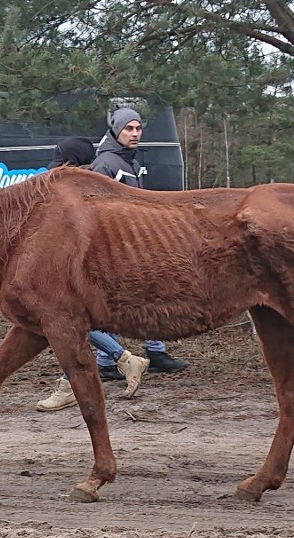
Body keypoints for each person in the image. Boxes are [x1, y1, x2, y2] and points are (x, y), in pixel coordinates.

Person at [37, 136, 150, 412]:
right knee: (74, 323)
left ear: (70, 164)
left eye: (61, 163)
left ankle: (82, 379)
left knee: (63, 321)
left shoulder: (74, 192)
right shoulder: (84, 186)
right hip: (92, 267)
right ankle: (121, 360)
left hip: (85, 269)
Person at [90, 107, 189, 375]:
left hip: (139, 245)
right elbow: (98, 212)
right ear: (116, 131)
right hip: (117, 249)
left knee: (150, 296)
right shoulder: (105, 164)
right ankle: (106, 362)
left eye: (138, 128)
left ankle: (156, 352)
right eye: (129, 129)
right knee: (111, 303)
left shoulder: (130, 161)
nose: (135, 134)